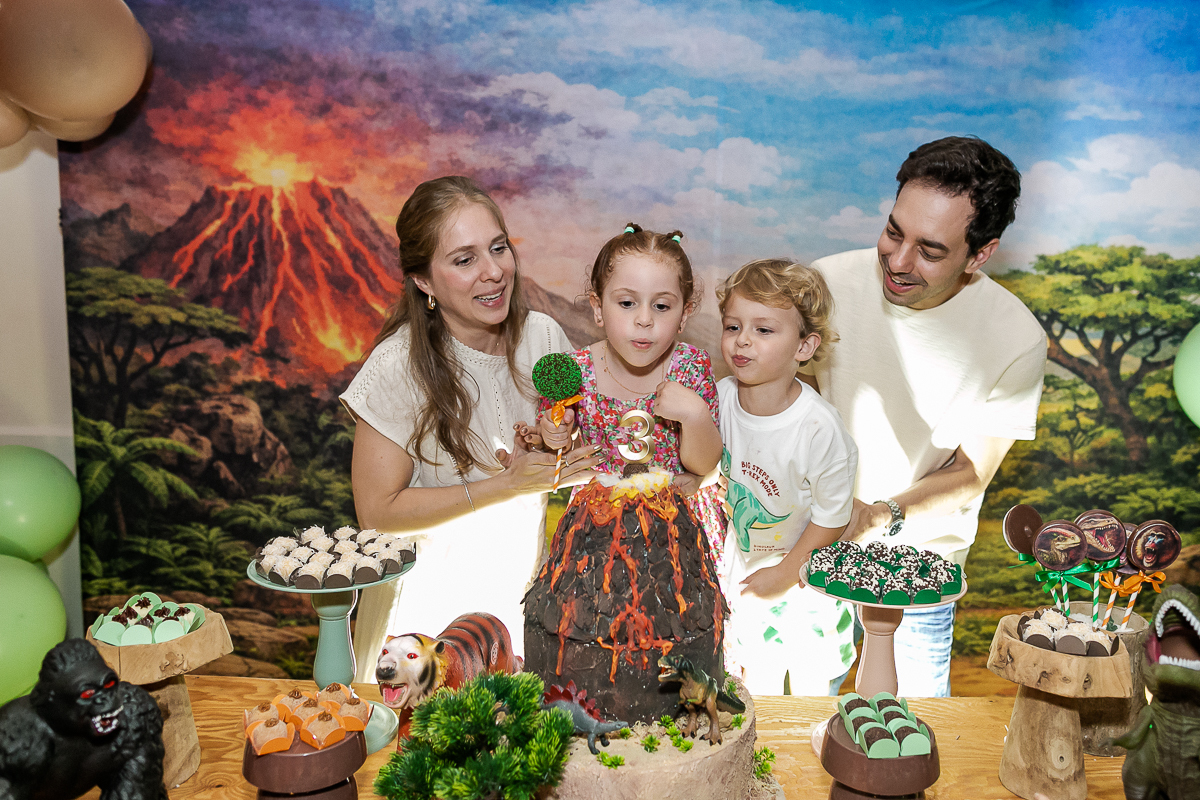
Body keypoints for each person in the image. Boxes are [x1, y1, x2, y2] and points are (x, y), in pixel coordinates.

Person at [804, 136, 1048, 696]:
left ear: (980, 253)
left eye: (930, 251)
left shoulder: (1017, 337)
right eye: (894, 231)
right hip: (810, 540)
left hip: (921, 565)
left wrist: (877, 516)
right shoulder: (824, 285)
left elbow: (970, 472)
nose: (898, 260)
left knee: (905, 732)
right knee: (783, 717)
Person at [340, 175, 601, 681]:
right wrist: (503, 484)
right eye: (464, 260)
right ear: (424, 282)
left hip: (516, 603)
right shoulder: (397, 366)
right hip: (423, 623)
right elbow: (376, 512)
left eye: (498, 248)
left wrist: (561, 457)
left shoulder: (542, 337)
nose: (494, 272)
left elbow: (576, 449)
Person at [716, 259, 858, 696]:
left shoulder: (819, 428)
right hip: (744, 575)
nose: (742, 340)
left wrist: (784, 573)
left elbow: (833, 520)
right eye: (732, 325)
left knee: (812, 696)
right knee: (754, 695)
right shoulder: (720, 398)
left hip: (807, 585)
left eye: (763, 330)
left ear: (804, 346)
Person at [537, 224, 725, 552]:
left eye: (661, 306)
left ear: (685, 313)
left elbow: (703, 465)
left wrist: (695, 415)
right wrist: (554, 434)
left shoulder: (691, 366)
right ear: (597, 307)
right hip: (597, 534)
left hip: (679, 538)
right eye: (626, 303)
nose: (644, 319)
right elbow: (557, 446)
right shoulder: (575, 371)